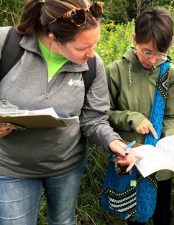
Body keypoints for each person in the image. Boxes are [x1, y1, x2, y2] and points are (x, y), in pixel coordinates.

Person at [0, 0, 136, 224]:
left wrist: (113, 142)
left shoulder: (93, 66)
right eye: (82, 48)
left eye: (95, 44)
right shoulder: (6, 44)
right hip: (12, 168)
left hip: (66, 166)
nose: (92, 54)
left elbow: (94, 119)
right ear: (53, 39)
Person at [105, 6, 174, 225]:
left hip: (160, 160)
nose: (154, 60)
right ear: (134, 39)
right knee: (134, 215)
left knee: (162, 213)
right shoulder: (115, 71)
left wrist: (170, 138)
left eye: (161, 53)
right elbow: (104, 115)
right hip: (129, 155)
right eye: (148, 51)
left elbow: (172, 116)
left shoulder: (169, 73)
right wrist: (132, 118)